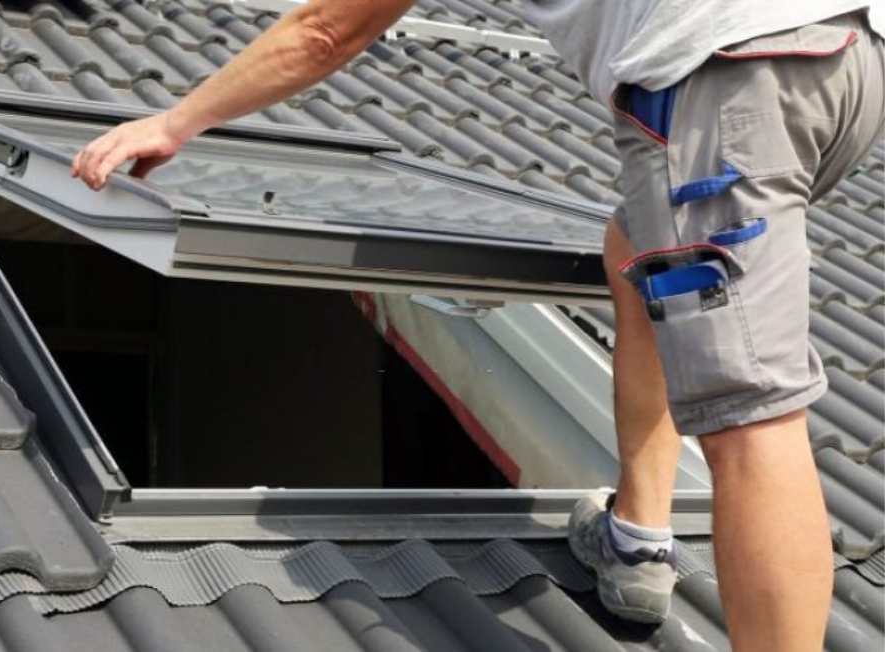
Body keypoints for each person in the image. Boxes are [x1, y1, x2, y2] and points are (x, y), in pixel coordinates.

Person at [73, 2, 885, 650]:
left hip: (732, 68)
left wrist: (175, 123)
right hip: (849, 60)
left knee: (748, 413)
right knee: (635, 246)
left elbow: (326, 29)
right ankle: (637, 535)